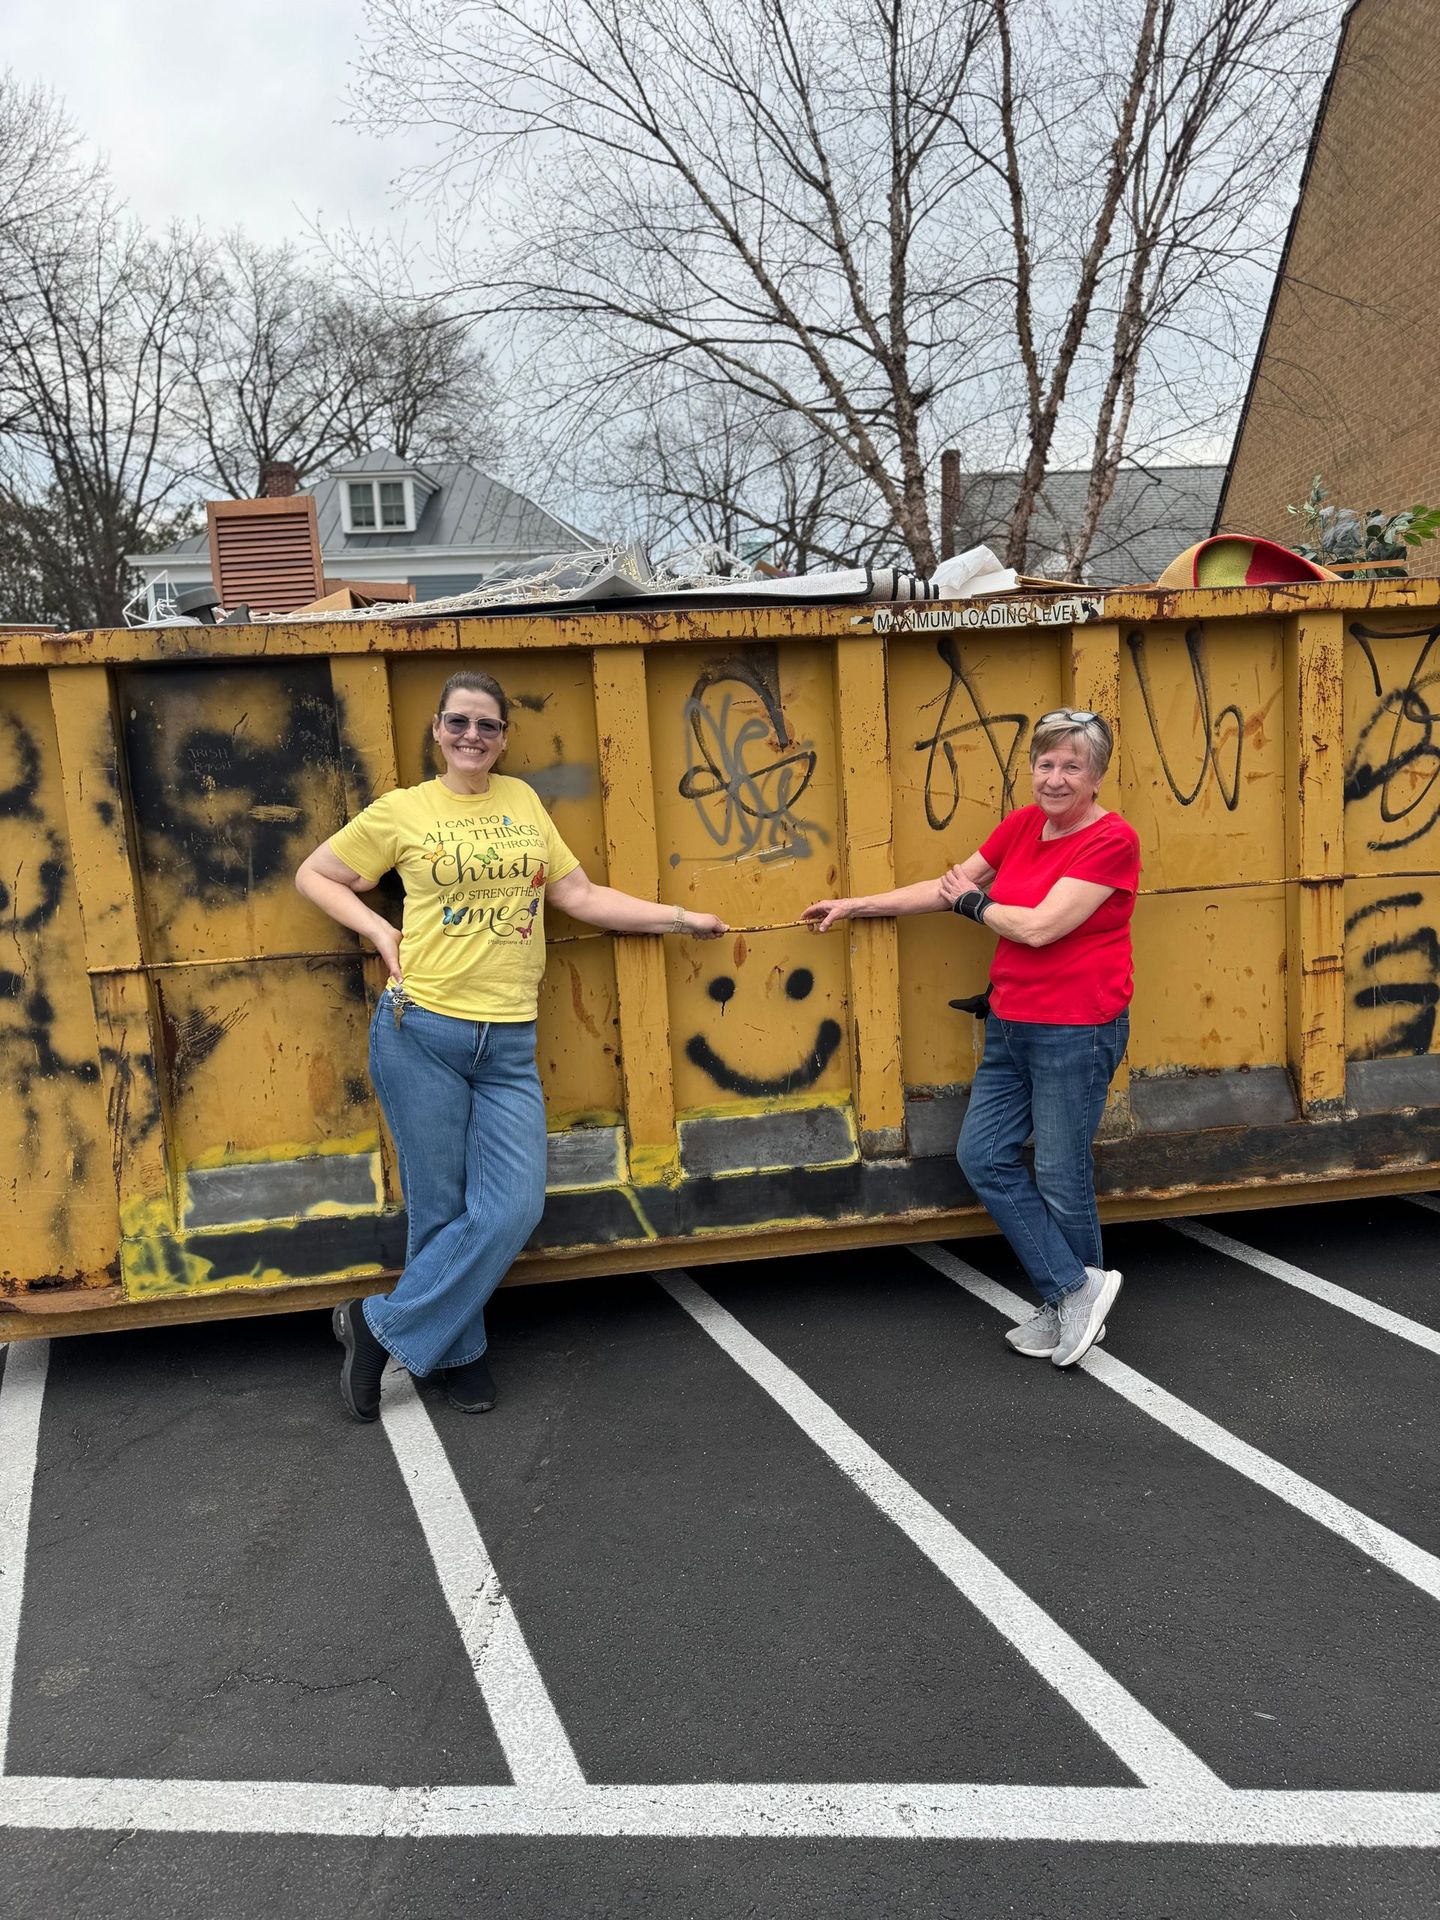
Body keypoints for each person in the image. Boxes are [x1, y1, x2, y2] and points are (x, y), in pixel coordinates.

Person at [295, 669, 727, 1422]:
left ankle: (378, 1325)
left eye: (488, 726)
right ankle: (460, 1354)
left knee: (513, 1208)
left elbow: (580, 897)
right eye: (459, 722)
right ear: (437, 729)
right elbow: (317, 874)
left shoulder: (522, 802)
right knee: (440, 1208)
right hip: (421, 1028)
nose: (473, 736)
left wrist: (681, 917)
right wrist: (379, 929)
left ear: (503, 737)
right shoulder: (403, 810)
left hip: (508, 1044)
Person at [802, 708, 1138, 1368]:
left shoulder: (1112, 841)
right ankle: (1073, 1291)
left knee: (1060, 1175)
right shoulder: (1021, 827)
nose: (1056, 777)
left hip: (1076, 1028)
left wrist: (974, 906)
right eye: (1045, 763)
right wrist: (856, 905)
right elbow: (948, 886)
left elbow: (1040, 927)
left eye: (1073, 765)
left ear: (1097, 776)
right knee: (982, 1154)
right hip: (1014, 1023)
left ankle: (1073, 1306)